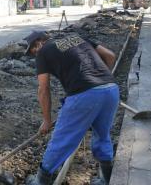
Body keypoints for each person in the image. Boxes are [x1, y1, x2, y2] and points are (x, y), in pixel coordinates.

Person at [22, 31, 119, 185]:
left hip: (84, 95)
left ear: (40, 42)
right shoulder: (77, 37)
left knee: (62, 139)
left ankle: (40, 181)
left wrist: (47, 120)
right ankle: (106, 179)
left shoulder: (44, 51)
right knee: (102, 135)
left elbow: (43, 89)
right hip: (111, 89)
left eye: (33, 48)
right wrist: (102, 80)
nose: (34, 52)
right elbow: (110, 56)